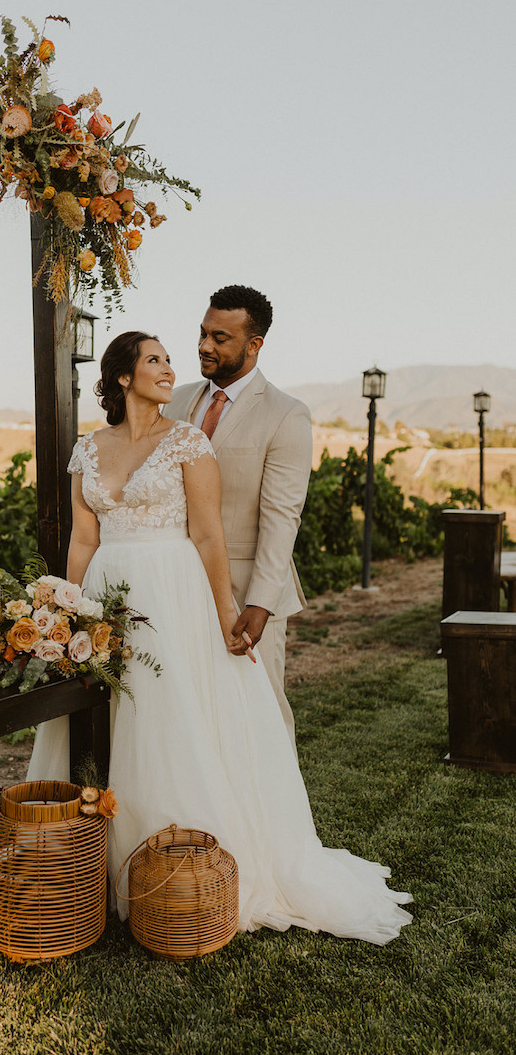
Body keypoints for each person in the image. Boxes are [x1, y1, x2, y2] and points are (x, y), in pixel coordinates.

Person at [28, 331, 412, 944]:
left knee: (173, 717)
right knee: (110, 716)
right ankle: (91, 861)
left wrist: (226, 611)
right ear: (123, 376)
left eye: (167, 360)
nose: (169, 368)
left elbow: (208, 537)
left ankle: (181, 864)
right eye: (154, 360)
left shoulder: (187, 442)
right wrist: (69, 610)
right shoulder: (87, 450)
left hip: (173, 595)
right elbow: (82, 539)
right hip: (107, 593)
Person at [166, 285, 312, 755]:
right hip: (174, 584)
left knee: (259, 710)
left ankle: (275, 816)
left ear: (254, 345)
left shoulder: (286, 414)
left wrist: (262, 603)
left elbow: (281, 517)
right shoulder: (173, 401)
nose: (205, 346)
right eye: (203, 333)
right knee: (188, 712)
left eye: (220, 338)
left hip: (247, 590)